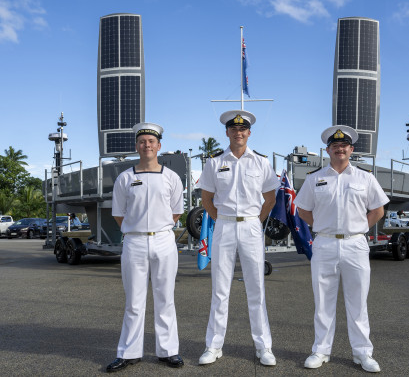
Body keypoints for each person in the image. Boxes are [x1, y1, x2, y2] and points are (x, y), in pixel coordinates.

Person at [294, 125, 389, 373]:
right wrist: (323, 226)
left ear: (351, 149)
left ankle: (362, 353)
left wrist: (358, 228)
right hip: (324, 243)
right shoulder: (315, 179)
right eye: (335, 146)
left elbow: (378, 210)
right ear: (328, 150)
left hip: (355, 244)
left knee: (358, 302)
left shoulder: (365, 177)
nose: (340, 149)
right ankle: (321, 350)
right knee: (323, 302)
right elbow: (302, 210)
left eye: (344, 146)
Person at [197, 110, 280, 367]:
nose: (238, 133)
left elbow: (270, 198)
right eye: (234, 129)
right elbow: (206, 199)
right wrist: (220, 217)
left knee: (256, 289)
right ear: (227, 133)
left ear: (249, 133)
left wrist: (256, 220)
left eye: (243, 129)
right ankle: (214, 345)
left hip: (251, 227)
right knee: (220, 289)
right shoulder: (214, 162)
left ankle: (263, 346)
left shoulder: (261, 162)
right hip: (224, 227)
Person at [107, 122, 185, 372]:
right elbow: (119, 214)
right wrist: (138, 228)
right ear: (136, 146)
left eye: (151, 141)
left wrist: (158, 229)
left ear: (159, 146)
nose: (147, 145)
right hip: (135, 241)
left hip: (163, 240)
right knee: (134, 301)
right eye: (142, 141)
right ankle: (129, 352)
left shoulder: (171, 177)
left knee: (165, 298)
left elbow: (176, 213)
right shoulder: (125, 178)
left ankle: (168, 350)